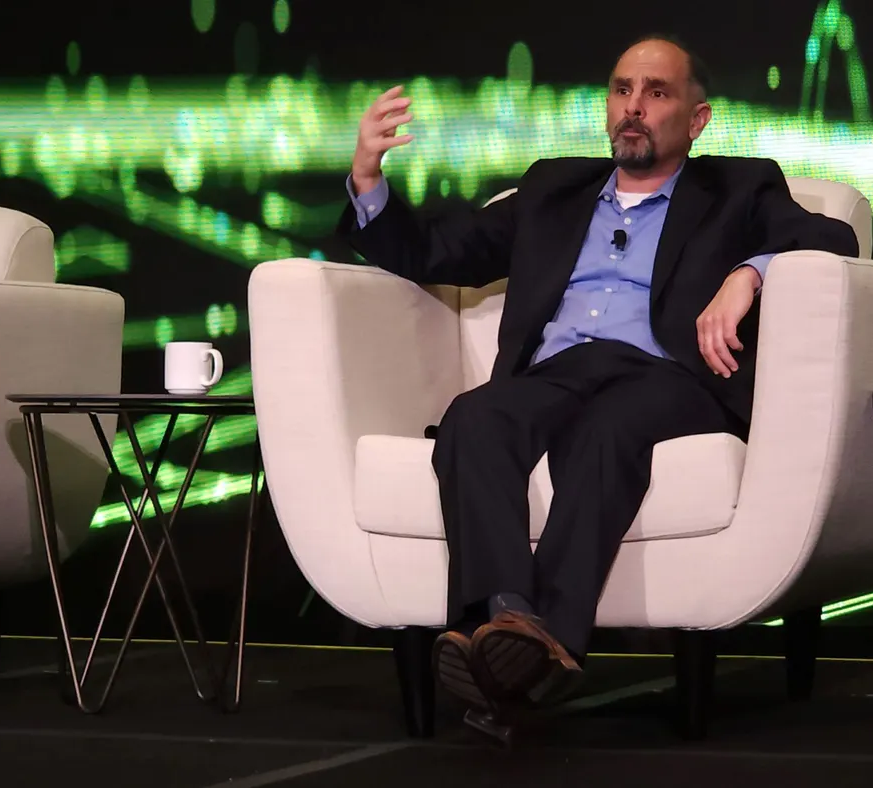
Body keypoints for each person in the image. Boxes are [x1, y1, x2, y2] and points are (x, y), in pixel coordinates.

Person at [339, 35, 859, 721]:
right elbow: (439, 250)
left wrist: (749, 272)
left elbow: (837, 242)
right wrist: (368, 180)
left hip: (667, 377)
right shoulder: (555, 187)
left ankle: (543, 640)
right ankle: (501, 625)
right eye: (621, 90)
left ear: (697, 120)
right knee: (475, 417)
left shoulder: (740, 187)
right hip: (557, 372)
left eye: (657, 92)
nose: (633, 107)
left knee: (608, 430)